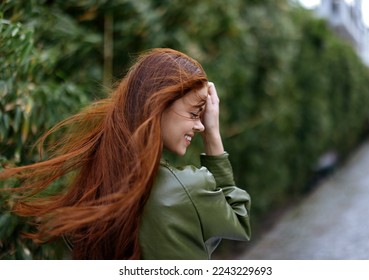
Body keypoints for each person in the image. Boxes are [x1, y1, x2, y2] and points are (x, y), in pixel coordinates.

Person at [0, 48, 251, 260]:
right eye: (195, 114)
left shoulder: (100, 180)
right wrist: (213, 138)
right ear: (158, 104)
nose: (201, 125)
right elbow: (239, 223)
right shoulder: (187, 188)